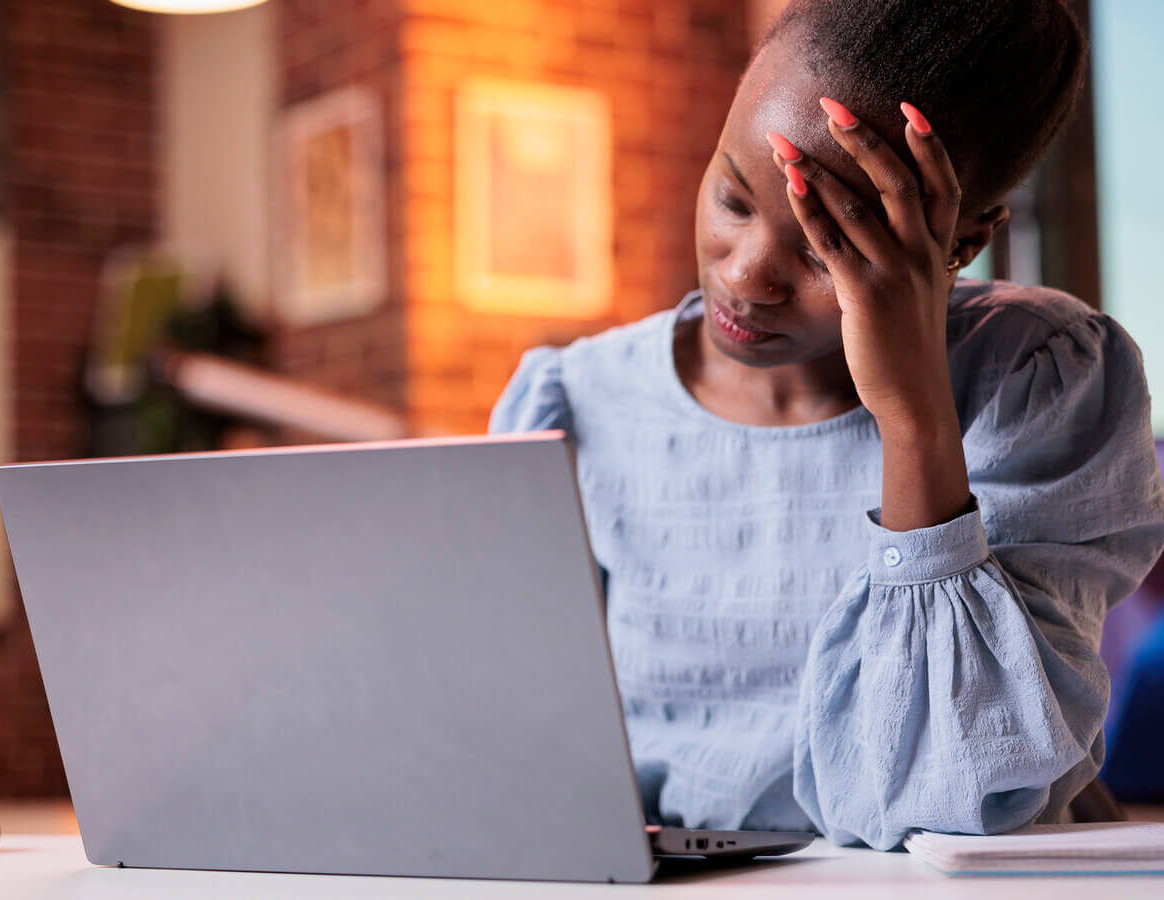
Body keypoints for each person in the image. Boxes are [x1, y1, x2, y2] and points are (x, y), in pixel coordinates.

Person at [490, 0, 1164, 850]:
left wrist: (913, 414)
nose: (745, 276)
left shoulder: (1039, 378)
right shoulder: (575, 404)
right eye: (733, 197)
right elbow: (511, 740)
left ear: (960, 245)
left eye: (824, 248)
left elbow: (958, 789)